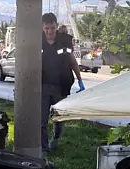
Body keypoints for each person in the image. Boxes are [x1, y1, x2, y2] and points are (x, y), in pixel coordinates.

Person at [40, 12, 85, 156]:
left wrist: (80, 80)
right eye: (47, 28)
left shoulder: (64, 41)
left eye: (52, 28)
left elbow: (72, 62)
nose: (50, 31)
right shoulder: (37, 41)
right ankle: (44, 149)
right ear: (42, 27)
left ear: (56, 26)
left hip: (61, 86)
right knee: (41, 120)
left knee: (58, 118)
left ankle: (55, 138)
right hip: (43, 85)